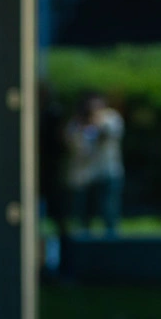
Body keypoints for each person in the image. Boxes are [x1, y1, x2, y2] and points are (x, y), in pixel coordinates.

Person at [64, 93, 125, 238]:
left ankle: (111, 242)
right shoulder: (77, 124)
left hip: (108, 172)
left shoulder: (111, 118)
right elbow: (76, 148)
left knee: (109, 211)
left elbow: (109, 134)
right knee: (84, 215)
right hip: (85, 177)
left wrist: (96, 122)